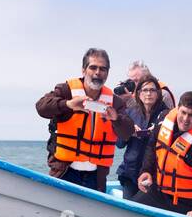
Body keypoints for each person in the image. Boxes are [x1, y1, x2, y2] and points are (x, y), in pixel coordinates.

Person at [36, 48, 136, 191]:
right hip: (65, 172)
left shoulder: (116, 102)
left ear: (107, 73)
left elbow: (127, 132)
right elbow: (41, 107)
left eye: (103, 69)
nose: (97, 72)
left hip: (96, 178)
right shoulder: (66, 91)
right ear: (84, 70)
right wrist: (68, 104)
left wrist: (115, 118)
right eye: (93, 67)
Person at [135, 91, 192, 217]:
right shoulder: (164, 117)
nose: (185, 119)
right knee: (131, 209)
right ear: (178, 108)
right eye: (183, 112)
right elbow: (152, 146)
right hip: (157, 191)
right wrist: (146, 170)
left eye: (191, 115)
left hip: (183, 202)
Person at [116, 74, 168, 197]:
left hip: (152, 175)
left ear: (158, 93)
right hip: (130, 173)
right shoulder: (130, 112)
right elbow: (119, 143)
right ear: (139, 93)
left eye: (152, 90)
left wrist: (158, 132)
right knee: (128, 211)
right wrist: (128, 131)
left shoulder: (166, 115)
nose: (148, 94)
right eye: (145, 90)